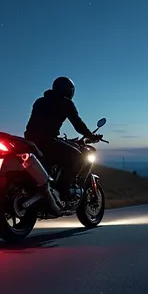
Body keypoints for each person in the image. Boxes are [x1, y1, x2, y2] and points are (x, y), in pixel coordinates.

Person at [24, 76, 102, 204]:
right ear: (68, 91)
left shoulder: (39, 101)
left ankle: (50, 185)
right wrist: (90, 135)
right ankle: (63, 190)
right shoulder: (66, 103)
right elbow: (78, 124)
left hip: (31, 141)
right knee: (78, 157)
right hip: (47, 141)